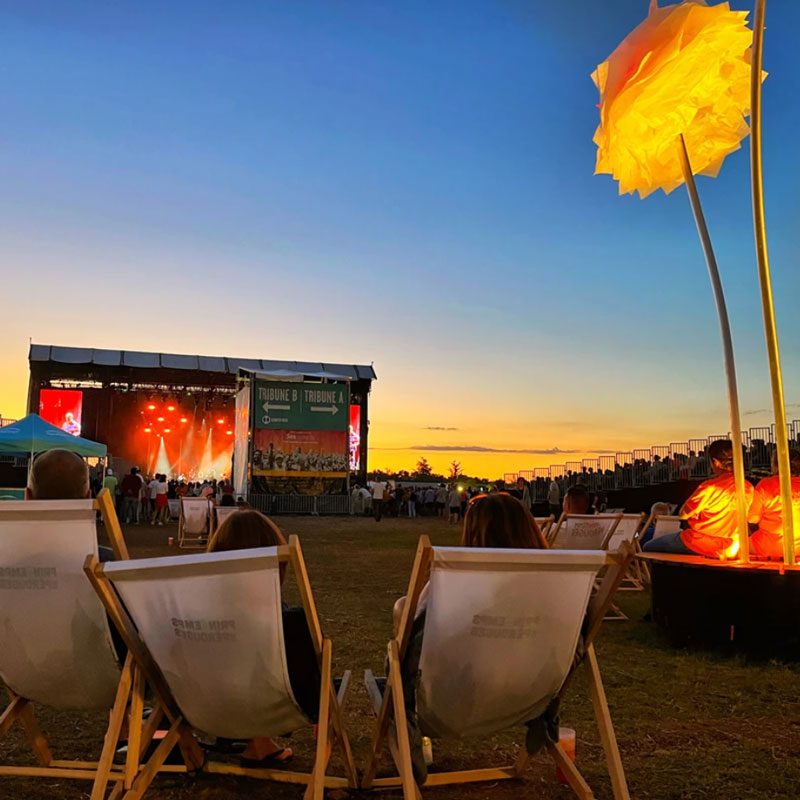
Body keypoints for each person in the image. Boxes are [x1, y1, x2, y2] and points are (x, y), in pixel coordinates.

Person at [207, 510, 319, 767]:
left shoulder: (193, 618)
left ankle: (255, 741)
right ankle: (259, 742)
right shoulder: (288, 623)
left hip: (205, 707)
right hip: (270, 710)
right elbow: (309, 693)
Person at [644, 439, 754, 559]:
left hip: (700, 543)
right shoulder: (748, 487)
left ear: (716, 462)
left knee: (648, 546)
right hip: (733, 545)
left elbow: (683, 514)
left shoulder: (709, 487)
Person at [748, 449, 800, 559]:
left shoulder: (765, 485)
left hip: (768, 547)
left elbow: (752, 518)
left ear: (776, 465)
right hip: (798, 549)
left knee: (738, 544)